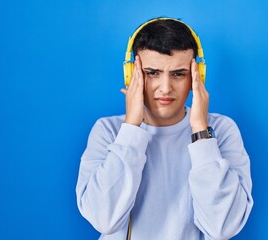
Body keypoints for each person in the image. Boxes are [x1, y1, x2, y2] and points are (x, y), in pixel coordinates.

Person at [76, 17, 253, 240]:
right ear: (131, 75)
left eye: (178, 74)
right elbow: (104, 219)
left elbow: (222, 227)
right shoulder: (109, 131)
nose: (166, 88)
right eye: (152, 73)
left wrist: (200, 131)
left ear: (197, 76)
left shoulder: (221, 130)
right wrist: (131, 128)